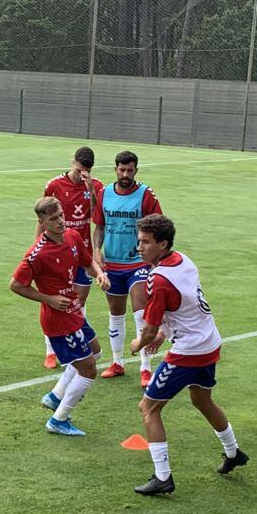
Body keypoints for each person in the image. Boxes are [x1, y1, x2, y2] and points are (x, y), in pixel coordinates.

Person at [129, 214, 247, 495]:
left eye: (146, 242)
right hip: (209, 342)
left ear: (163, 244)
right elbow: (183, 307)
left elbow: (150, 327)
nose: (140, 247)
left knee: (148, 408)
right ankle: (233, 452)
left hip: (189, 352)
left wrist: (139, 342)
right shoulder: (183, 259)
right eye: (139, 241)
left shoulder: (157, 279)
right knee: (202, 400)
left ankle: (162, 477)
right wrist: (162, 335)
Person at [11, 197, 110, 436]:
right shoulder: (37, 254)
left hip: (74, 311)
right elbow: (16, 285)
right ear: (42, 222)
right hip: (58, 320)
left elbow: (88, 262)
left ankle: (55, 396)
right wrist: (49, 299)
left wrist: (99, 274)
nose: (60, 222)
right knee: (88, 369)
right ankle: (58, 420)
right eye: (53, 219)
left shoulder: (73, 236)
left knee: (95, 353)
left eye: (61, 216)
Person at [92, 150, 163, 388]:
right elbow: (99, 227)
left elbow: (158, 226)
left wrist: (154, 257)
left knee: (141, 312)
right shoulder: (104, 194)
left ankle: (145, 367)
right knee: (116, 313)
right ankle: (117, 362)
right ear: (115, 170)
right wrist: (96, 251)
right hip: (112, 263)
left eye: (130, 170)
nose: (125, 174)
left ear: (136, 170)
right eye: (121, 170)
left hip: (138, 263)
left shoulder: (145, 194)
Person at [38, 146, 104, 369]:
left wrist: (90, 188)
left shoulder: (95, 186)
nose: (79, 175)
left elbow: (97, 216)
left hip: (80, 252)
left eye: (84, 171)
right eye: (77, 170)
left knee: (78, 302)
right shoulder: (54, 185)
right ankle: (50, 350)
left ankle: (78, 342)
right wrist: (38, 245)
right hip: (57, 252)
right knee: (55, 301)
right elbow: (42, 218)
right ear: (71, 163)